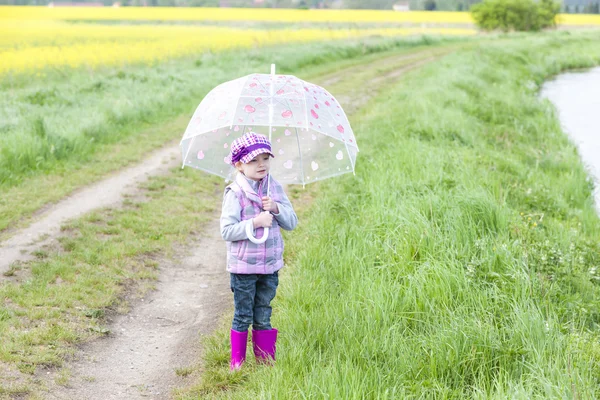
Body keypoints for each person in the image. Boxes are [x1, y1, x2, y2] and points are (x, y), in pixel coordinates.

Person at [220, 131, 298, 371]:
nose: (261, 164)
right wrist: (255, 223)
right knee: (244, 315)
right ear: (239, 164)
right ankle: (237, 364)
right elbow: (227, 231)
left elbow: (292, 222)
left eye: (265, 158)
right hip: (244, 267)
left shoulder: (273, 187)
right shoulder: (235, 193)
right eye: (254, 160)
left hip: (269, 265)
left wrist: (275, 208)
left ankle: (265, 363)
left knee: (263, 315)